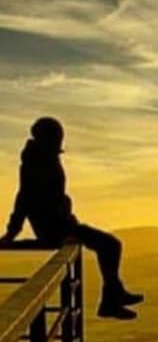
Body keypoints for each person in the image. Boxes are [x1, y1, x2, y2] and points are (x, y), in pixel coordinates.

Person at [0, 117, 144, 320]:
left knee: (110, 245)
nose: (61, 140)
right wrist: (12, 232)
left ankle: (114, 295)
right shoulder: (37, 162)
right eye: (58, 136)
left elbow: (36, 196)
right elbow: (24, 197)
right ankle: (110, 301)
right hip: (56, 228)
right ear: (50, 137)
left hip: (61, 224)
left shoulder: (42, 158)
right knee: (111, 245)